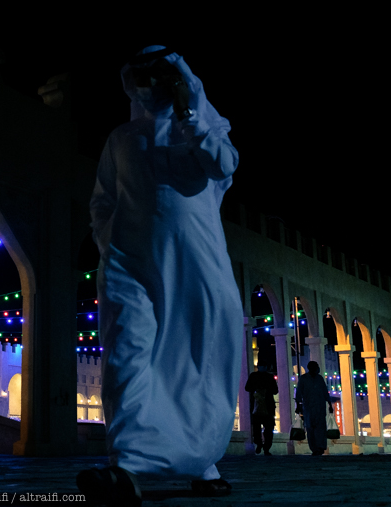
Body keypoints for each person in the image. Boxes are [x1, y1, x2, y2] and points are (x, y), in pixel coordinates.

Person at [78, 45, 242, 505]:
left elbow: (222, 165)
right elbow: (102, 200)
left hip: (196, 265)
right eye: (140, 78)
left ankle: (202, 460)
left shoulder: (205, 129)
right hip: (129, 266)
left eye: (158, 77)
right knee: (127, 354)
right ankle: (126, 465)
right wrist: (111, 243)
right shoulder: (122, 138)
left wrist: (190, 114)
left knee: (194, 362)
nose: (147, 86)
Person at [294, 360, 333, 455]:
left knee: (321, 428)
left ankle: (320, 447)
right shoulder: (303, 379)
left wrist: (329, 404)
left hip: (320, 407)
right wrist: (298, 406)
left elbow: (325, 392)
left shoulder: (319, 378)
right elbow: (299, 393)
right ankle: (314, 448)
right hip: (308, 408)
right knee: (310, 428)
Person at [245, 363, 279, 455]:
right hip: (266, 406)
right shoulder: (269, 377)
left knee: (258, 428)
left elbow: (247, 388)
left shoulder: (254, 376)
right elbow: (275, 391)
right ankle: (265, 447)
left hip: (258, 406)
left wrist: (257, 389)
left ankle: (260, 444)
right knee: (268, 429)